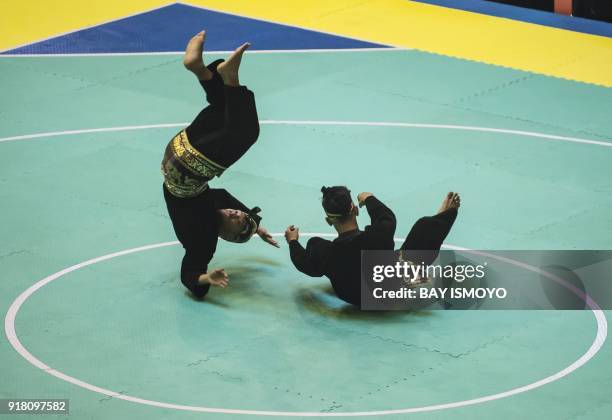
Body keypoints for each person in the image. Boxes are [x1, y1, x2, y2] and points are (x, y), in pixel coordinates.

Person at [162, 31, 278, 299]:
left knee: (246, 133)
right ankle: (199, 69)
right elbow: (225, 197)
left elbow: (189, 275)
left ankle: (230, 78)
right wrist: (255, 224)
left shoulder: (203, 242)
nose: (236, 214)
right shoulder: (213, 206)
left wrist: (205, 278)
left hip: (187, 168)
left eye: (236, 221)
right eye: (239, 215)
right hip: (178, 152)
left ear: (226, 236)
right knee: (223, 108)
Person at [285, 187, 460, 306]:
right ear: (355, 210)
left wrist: (293, 242)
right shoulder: (377, 237)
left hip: (352, 296)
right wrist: (369, 198)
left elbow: (305, 264)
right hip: (391, 290)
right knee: (422, 228)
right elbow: (386, 218)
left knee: (315, 246)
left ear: (329, 220)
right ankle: (440, 219)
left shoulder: (324, 251)